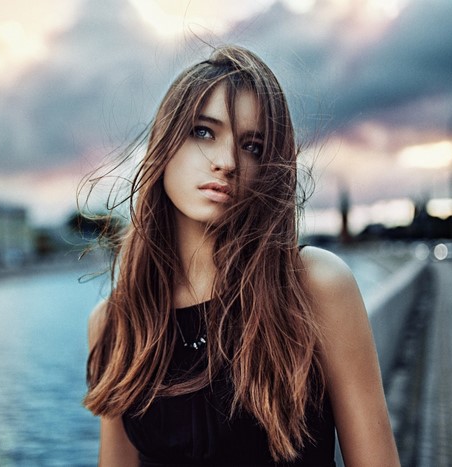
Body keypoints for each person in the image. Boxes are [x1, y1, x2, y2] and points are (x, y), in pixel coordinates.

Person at [82, 45, 400, 466]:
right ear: (164, 144)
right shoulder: (115, 323)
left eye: (252, 145)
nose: (228, 162)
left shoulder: (314, 285)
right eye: (203, 131)